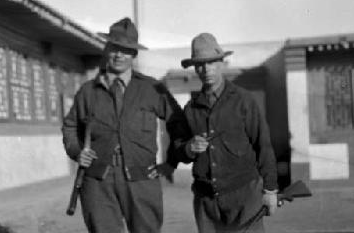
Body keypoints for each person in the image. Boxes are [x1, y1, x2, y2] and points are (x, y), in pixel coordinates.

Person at [62, 17, 190, 233]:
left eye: (126, 50)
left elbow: (179, 125)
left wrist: (171, 162)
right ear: (106, 48)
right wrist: (76, 151)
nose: (119, 55)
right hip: (97, 179)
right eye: (115, 48)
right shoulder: (88, 91)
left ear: (134, 54)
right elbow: (70, 126)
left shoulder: (152, 89)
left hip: (142, 179)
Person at [176, 33, 278, 232]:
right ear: (195, 68)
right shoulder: (191, 109)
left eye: (212, 63)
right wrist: (189, 147)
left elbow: (263, 145)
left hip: (245, 197)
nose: (206, 70)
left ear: (221, 63)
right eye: (200, 64)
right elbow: (177, 150)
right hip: (207, 204)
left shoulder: (243, 100)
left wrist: (270, 190)